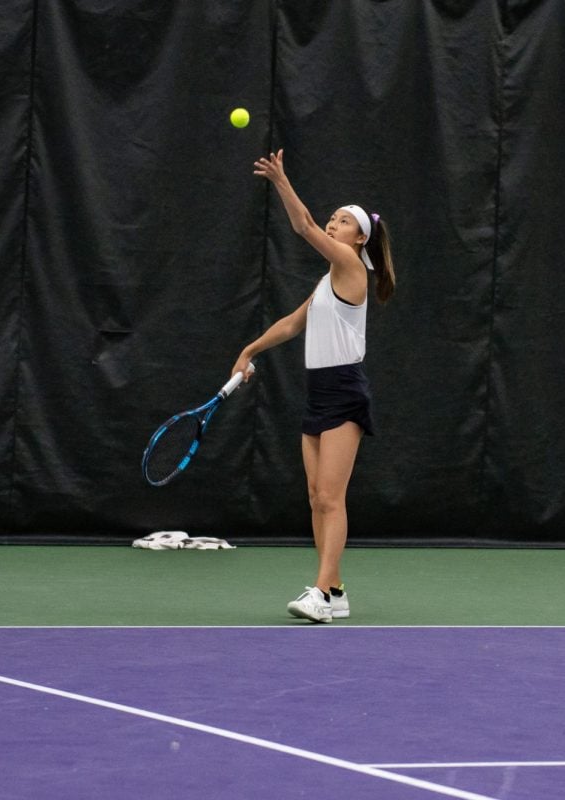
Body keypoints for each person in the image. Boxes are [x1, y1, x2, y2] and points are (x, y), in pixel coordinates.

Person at [231, 149, 396, 623]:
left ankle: (322, 594)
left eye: (342, 221)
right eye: (332, 218)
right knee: (314, 496)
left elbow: (301, 225)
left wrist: (281, 180)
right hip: (319, 390)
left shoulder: (351, 266)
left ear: (360, 237)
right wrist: (249, 351)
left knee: (330, 496)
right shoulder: (327, 282)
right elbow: (289, 324)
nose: (331, 224)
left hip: (344, 390)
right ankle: (336, 587)